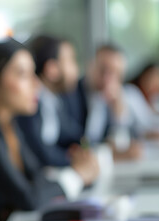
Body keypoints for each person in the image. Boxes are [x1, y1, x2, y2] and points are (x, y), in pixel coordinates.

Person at [0, 38, 84, 221]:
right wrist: (77, 176)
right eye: (23, 74)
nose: (36, 84)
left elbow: (38, 175)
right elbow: (29, 198)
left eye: (34, 74)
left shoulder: (10, 125)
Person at [17, 35, 99, 184]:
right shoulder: (29, 104)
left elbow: (73, 134)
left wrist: (85, 149)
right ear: (52, 69)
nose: (76, 69)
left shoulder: (56, 99)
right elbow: (40, 152)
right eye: (71, 61)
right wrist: (73, 160)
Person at [66, 44, 142, 160]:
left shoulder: (111, 99)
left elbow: (122, 141)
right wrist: (112, 154)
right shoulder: (70, 93)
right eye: (103, 70)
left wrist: (118, 114)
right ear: (90, 65)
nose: (108, 79)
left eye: (115, 73)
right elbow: (79, 144)